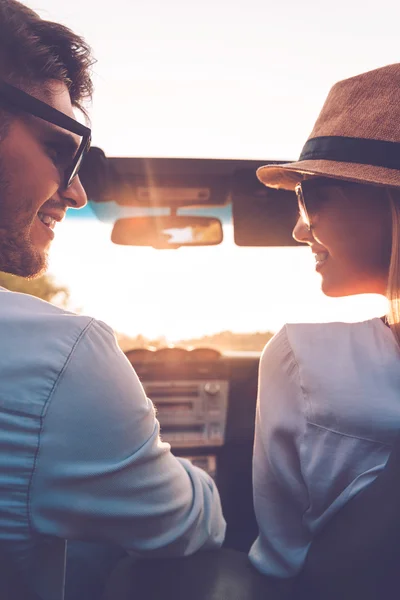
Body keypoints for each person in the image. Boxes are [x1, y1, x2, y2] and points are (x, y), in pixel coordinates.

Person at [0, 2, 226, 599]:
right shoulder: (61, 356)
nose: (75, 191)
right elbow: (188, 525)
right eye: (62, 148)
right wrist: (194, 479)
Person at [248, 63, 400, 581]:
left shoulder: (304, 359)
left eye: (308, 196)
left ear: (390, 202)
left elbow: (284, 557)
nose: (297, 229)